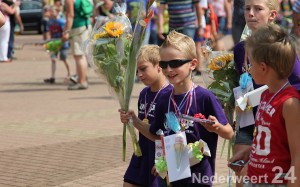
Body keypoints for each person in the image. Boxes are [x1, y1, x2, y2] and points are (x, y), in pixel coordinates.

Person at [122, 31, 234, 187]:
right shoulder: (164, 98)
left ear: (193, 64)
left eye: (175, 63)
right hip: (170, 175)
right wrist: (134, 121)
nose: (168, 69)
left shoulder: (204, 97)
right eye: (163, 64)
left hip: (198, 176)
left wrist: (217, 128)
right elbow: (156, 135)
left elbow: (229, 133)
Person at [230, 0, 300, 186]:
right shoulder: (266, 95)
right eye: (247, 8)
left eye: (258, 9)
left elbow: (297, 154)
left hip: (275, 176)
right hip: (251, 124)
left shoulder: (289, 103)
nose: (251, 13)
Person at [119, 45, 172, 187]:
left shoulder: (170, 94)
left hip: (160, 154)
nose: (139, 75)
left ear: (159, 66)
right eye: (137, 71)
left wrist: (135, 122)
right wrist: (129, 119)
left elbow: (167, 132)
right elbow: (142, 124)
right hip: (142, 151)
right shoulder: (144, 94)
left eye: (143, 69)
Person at [62, 0, 91, 90]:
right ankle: (82, 79)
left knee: (79, 55)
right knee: (82, 55)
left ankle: (82, 82)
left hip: (77, 28)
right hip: (86, 25)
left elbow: (70, 15)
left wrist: (66, 31)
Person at [44, 6, 71, 84]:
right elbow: (49, 32)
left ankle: (69, 74)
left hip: (62, 43)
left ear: (57, 12)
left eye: (53, 11)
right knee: (53, 59)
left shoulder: (62, 21)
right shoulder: (50, 21)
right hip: (54, 43)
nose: (51, 13)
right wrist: (48, 42)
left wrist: (63, 40)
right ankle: (52, 77)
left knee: (64, 58)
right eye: (51, 11)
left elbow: (65, 32)